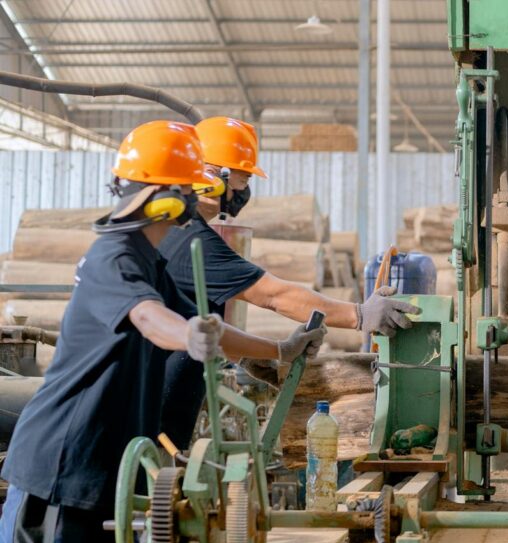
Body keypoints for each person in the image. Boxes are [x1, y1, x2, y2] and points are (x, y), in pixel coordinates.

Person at [0, 121, 325, 543]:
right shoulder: (114, 257)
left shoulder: (149, 258)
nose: (202, 198)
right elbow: (152, 318)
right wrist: (187, 336)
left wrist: (278, 350)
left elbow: (200, 323)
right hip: (63, 458)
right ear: (168, 198)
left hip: (117, 459)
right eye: (191, 188)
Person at [158, 116, 419, 448]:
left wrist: (261, 354)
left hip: (160, 401)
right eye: (242, 179)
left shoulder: (183, 231)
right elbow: (274, 295)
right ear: (211, 177)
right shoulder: (190, 239)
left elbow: (202, 326)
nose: (244, 191)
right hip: (149, 407)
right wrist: (360, 315)